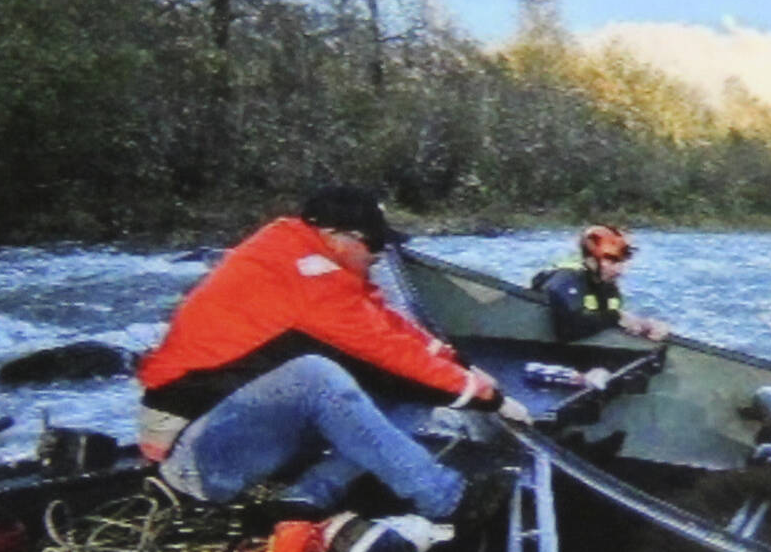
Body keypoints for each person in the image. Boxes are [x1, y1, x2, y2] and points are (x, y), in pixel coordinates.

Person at [136, 184, 530, 523]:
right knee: (316, 377)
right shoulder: (307, 272)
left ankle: (306, 496)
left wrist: (460, 365)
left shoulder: (305, 253)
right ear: (338, 236)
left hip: (232, 429)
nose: (380, 253)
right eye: (374, 243)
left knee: (408, 391)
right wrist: (489, 398)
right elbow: (386, 349)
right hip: (193, 462)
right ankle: (447, 498)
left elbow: (382, 322)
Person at [534, 224, 671, 343]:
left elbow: (602, 320)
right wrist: (615, 317)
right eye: (612, 261)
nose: (619, 270)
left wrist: (645, 326)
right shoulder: (566, 278)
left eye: (622, 262)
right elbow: (567, 329)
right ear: (591, 260)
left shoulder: (609, 288)